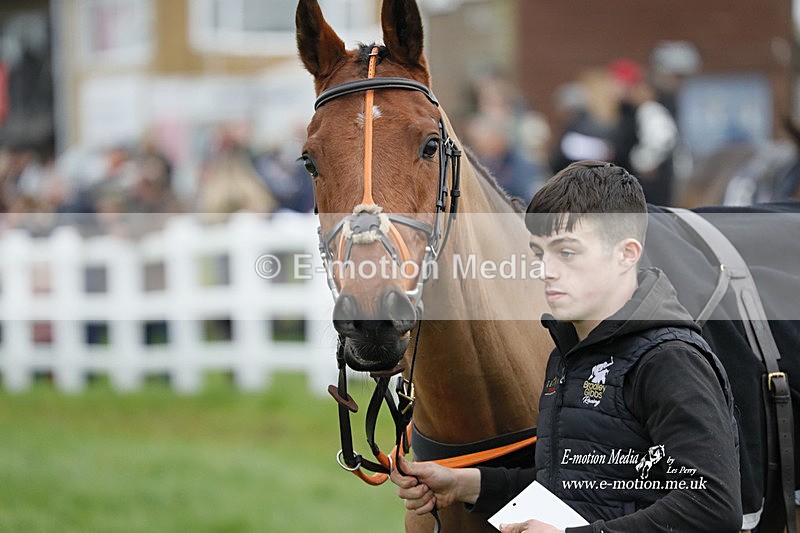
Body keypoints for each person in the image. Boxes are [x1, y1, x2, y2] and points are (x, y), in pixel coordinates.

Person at [391, 160, 742, 532]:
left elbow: (713, 506)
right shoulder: (568, 353)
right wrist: (470, 484)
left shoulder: (669, 361)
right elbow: (576, 484)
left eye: (567, 253)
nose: (546, 270)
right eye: (541, 254)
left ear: (627, 253)